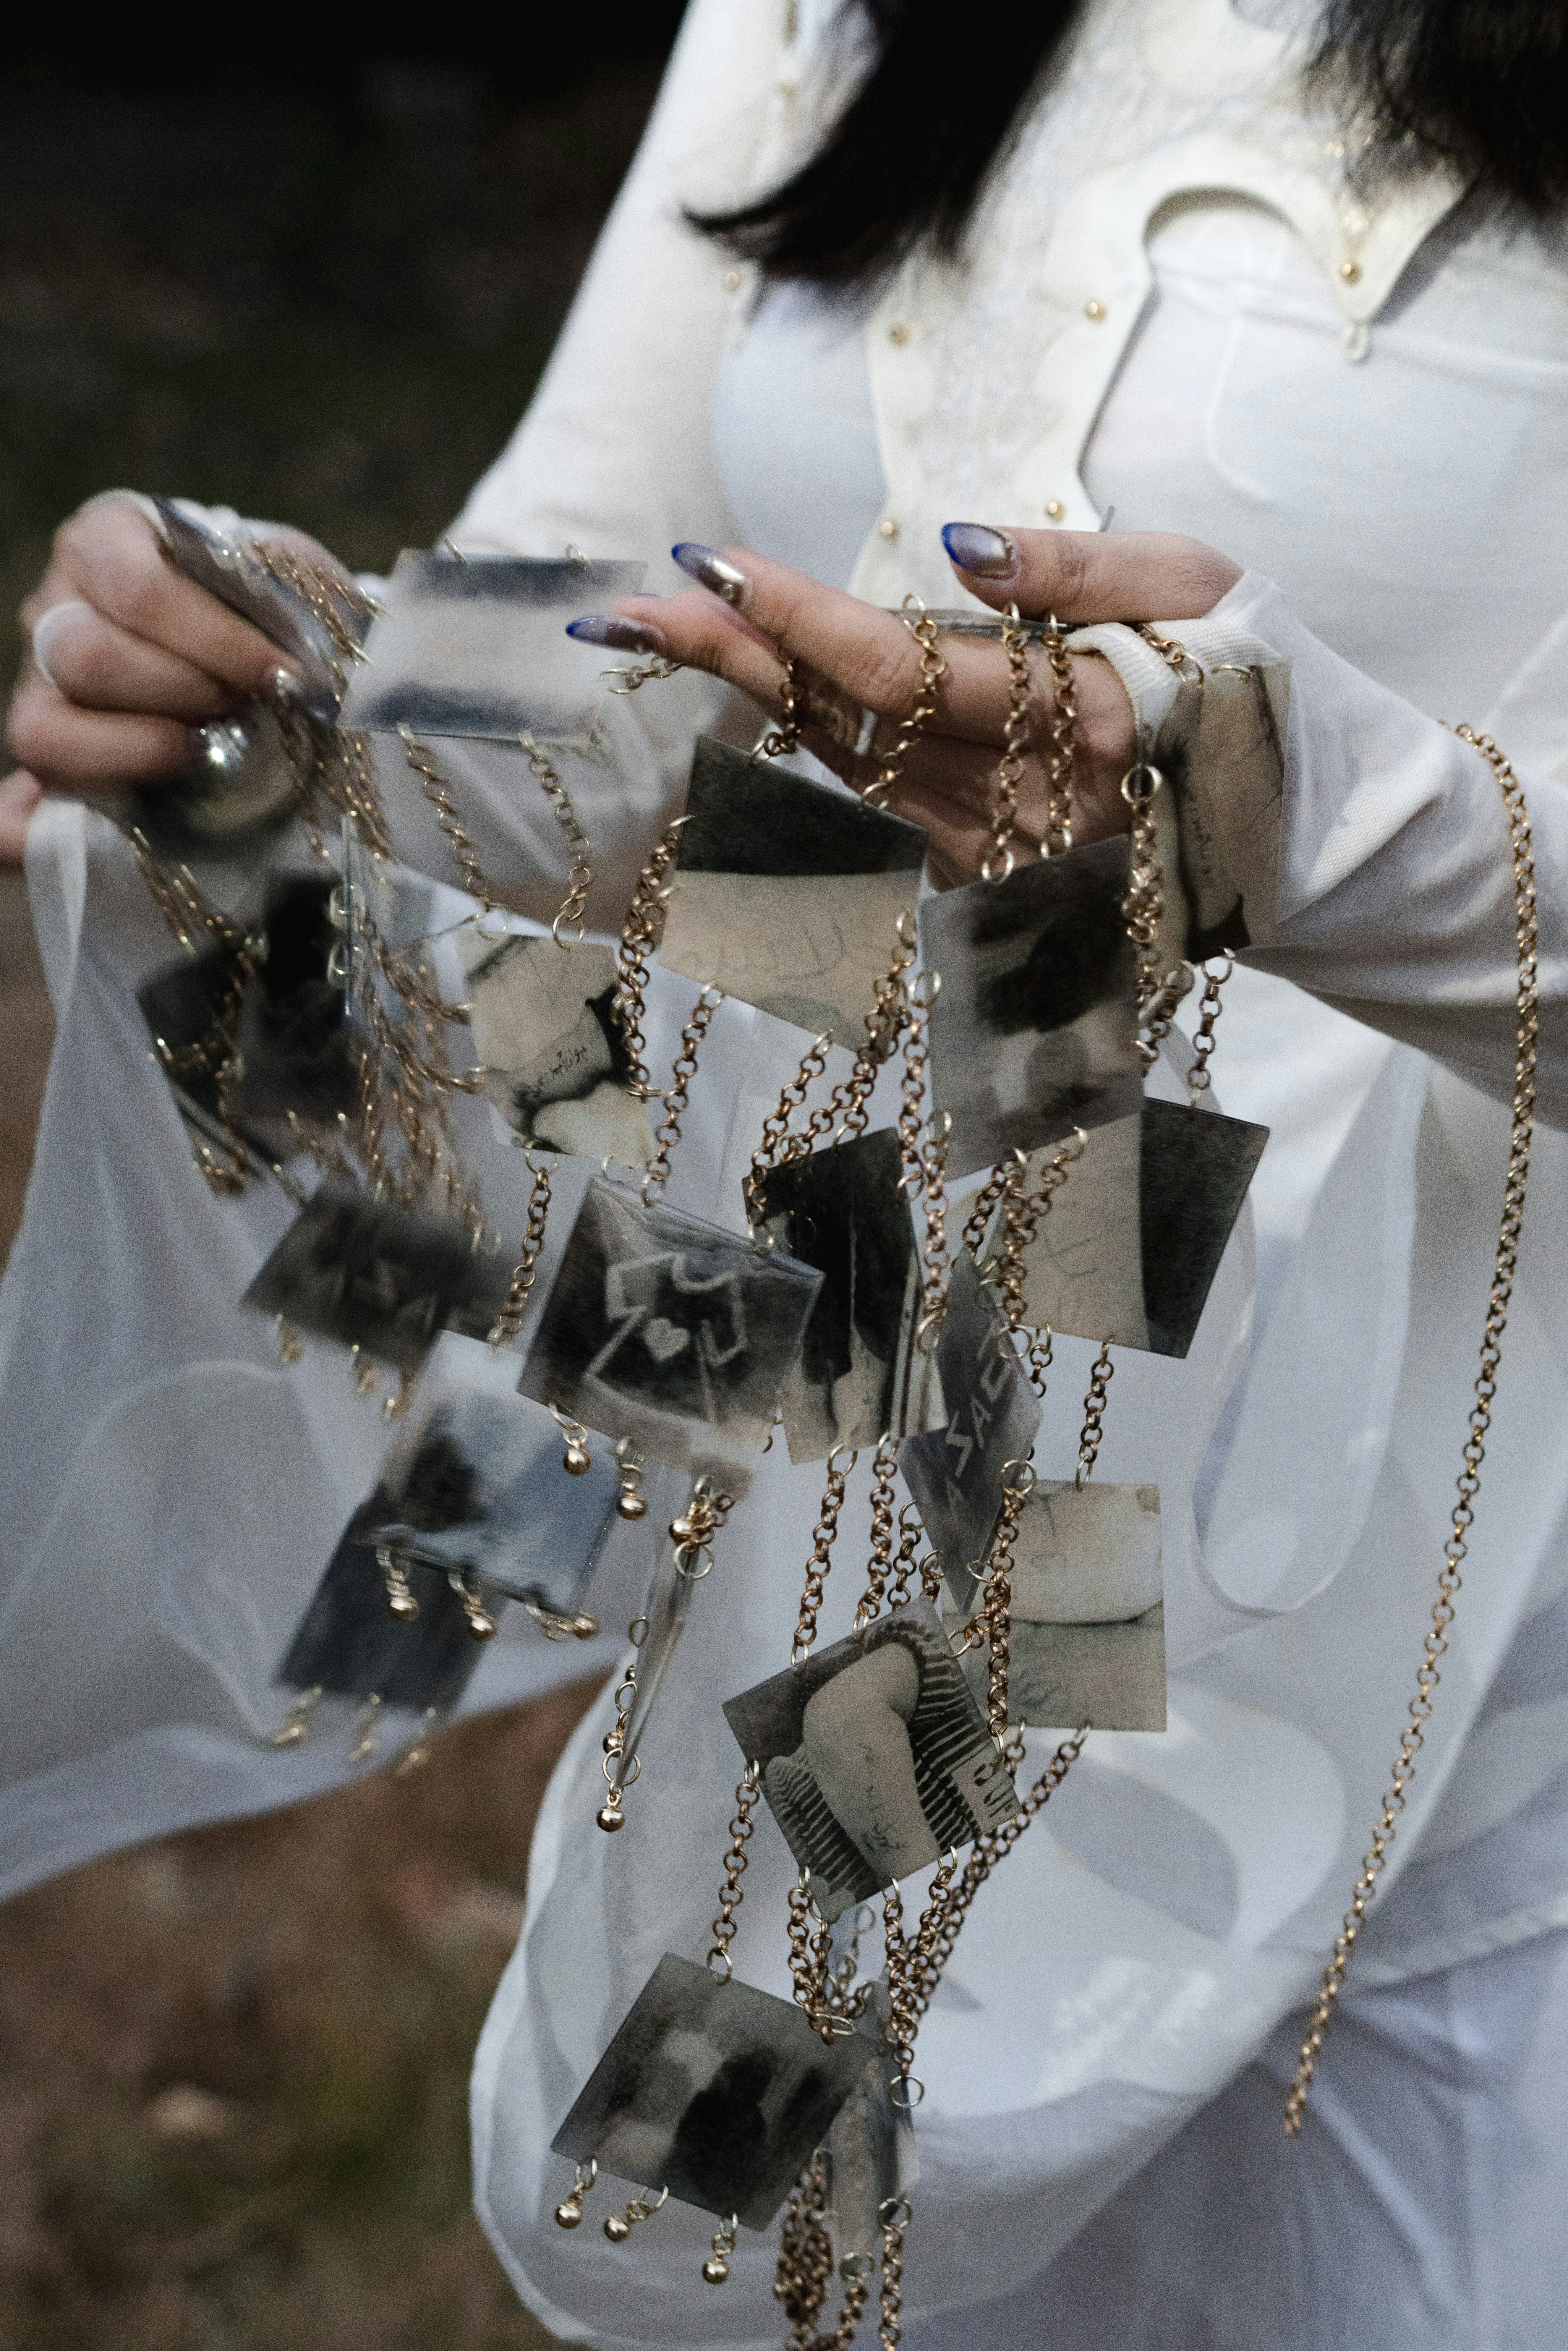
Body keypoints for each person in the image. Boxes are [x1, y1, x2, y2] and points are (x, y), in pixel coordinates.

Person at [6, 0, 1568, 2342]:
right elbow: (625, 639)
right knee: (831, 2193)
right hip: (915, 1455)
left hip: (1474, 1586)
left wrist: (1263, 808)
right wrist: (295, 680)